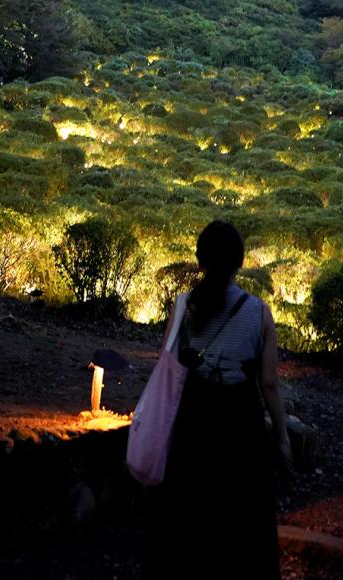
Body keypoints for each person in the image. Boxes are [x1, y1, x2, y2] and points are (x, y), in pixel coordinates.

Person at [143, 220, 291, 579]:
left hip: (193, 415)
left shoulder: (183, 305)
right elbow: (269, 383)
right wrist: (282, 437)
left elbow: (168, 361)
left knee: (190, 514)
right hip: (241, 421)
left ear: (200, 260)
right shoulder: (259, 312)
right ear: (239, 262)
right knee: (242, 520)